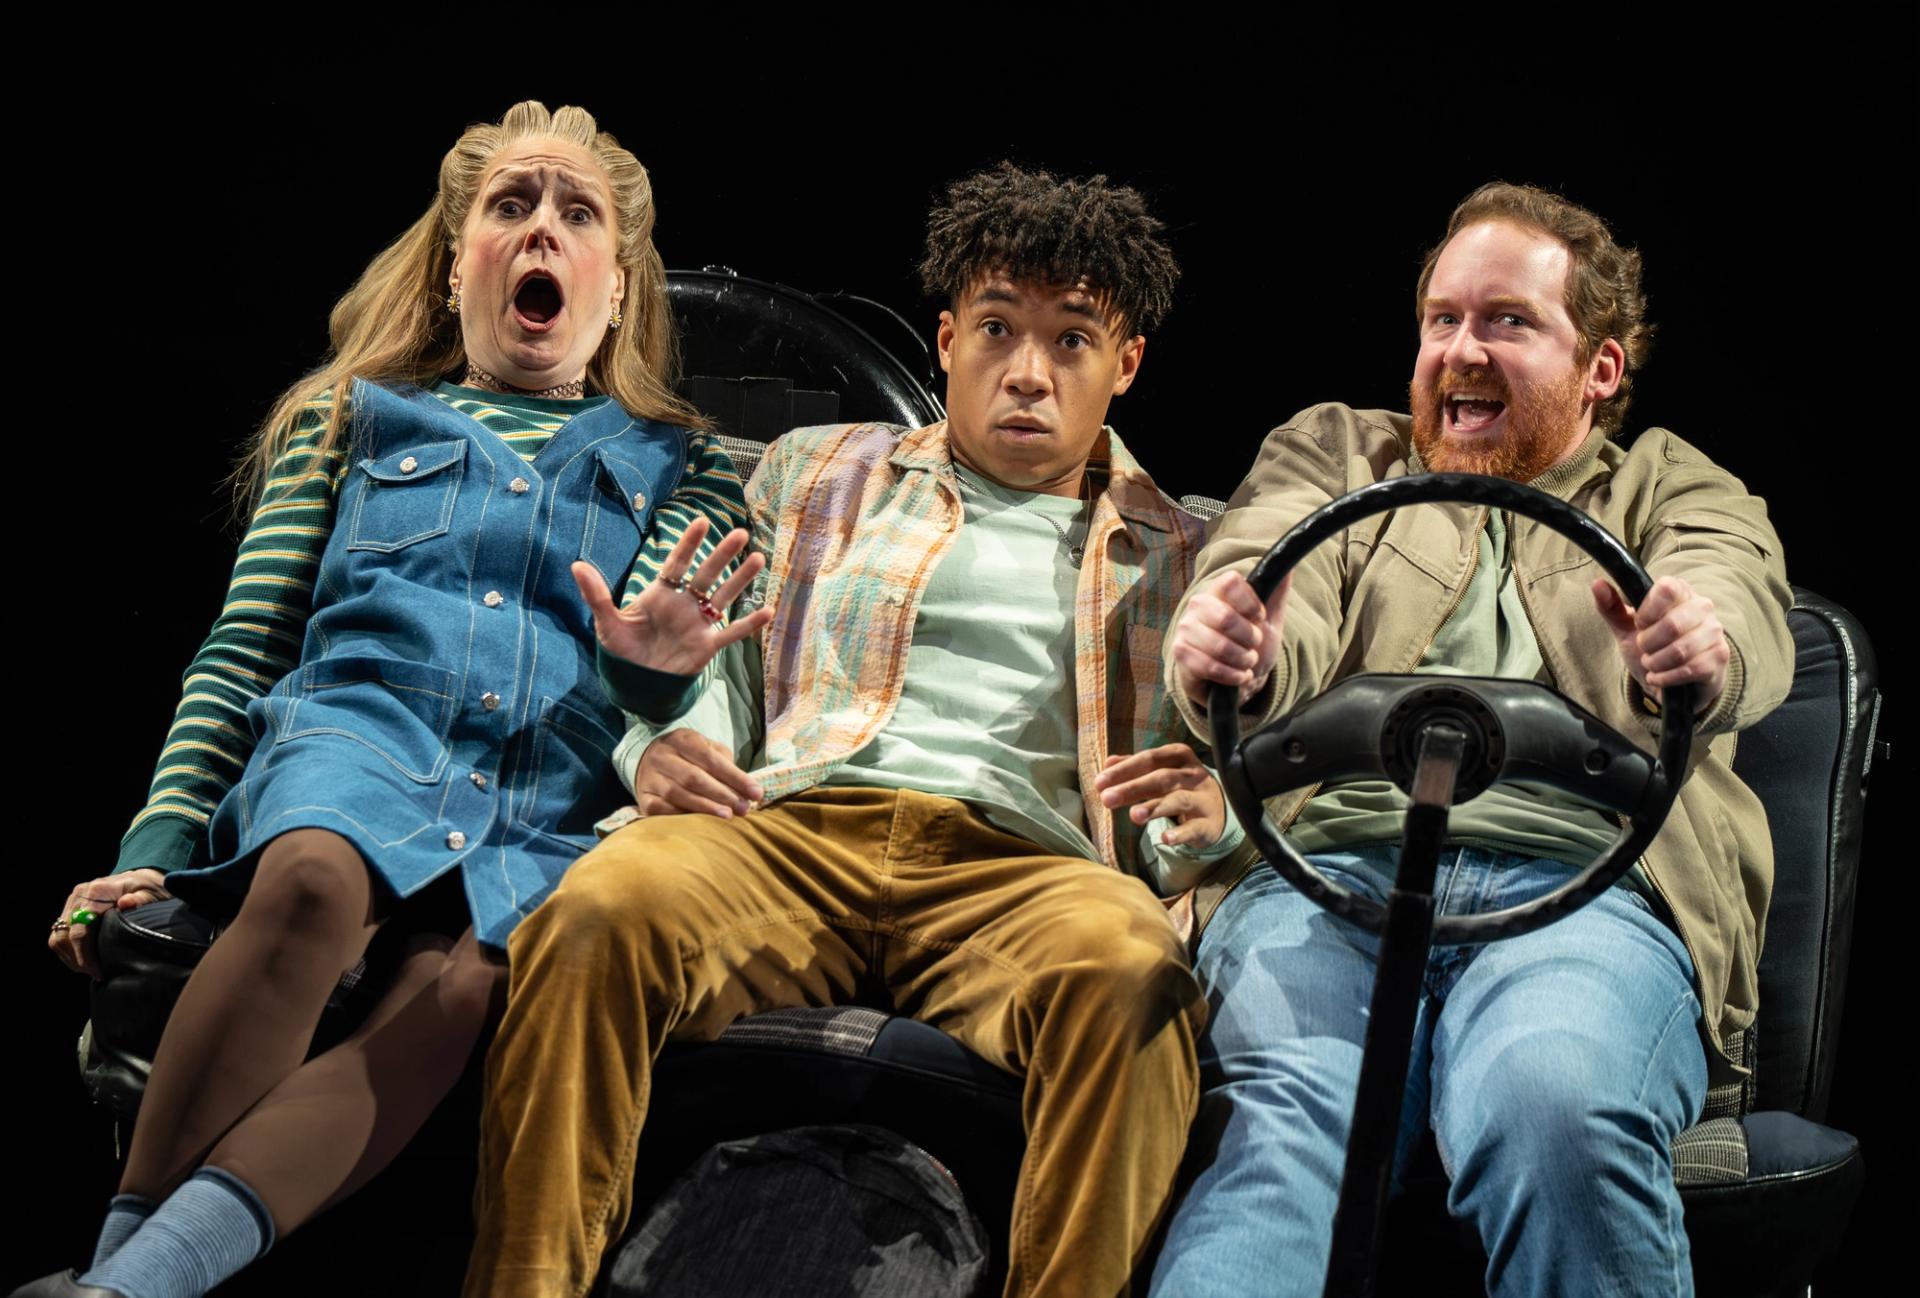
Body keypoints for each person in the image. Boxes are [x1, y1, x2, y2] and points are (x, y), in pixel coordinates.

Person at [465, 162, 1245, 1298]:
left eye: (1072, 340)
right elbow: (715, 678)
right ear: (943, 337)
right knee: (595, 912)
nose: (1028, 370)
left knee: (1135, 979)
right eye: (996, 328)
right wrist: (654, 730)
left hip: (1026, 869)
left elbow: (1187, 805)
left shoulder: (1187, 551)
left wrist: (1204, 828)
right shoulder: (814, 469)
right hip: (789, 829)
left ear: (1125, 364)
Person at [20, 102, 754, 1298]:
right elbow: (242, 644)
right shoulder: (348, 418)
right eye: (510, 207)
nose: (541, 233)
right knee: (314, 874)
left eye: (577, 216)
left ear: (615, 287)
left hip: (552, 792)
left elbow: (670, 694)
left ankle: (115, 1286)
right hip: (362, 736)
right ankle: (130, 1274)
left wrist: (651, 669)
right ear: (457, 261)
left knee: (466, 981)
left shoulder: (691, 461)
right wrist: (153, 847)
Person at [1150, 182, 1794, 1296]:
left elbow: (1730, 593)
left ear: (1599, 365)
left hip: (1590, 893)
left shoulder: (1670, 484)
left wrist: (1699, 642)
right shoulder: (1341, 455)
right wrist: (1236, 639)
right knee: (1280, 1139)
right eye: (1443, 319)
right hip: (1329, 881)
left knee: (1552, 1102)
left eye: (1506, 321)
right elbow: (1270, 580)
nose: (1462, 350)